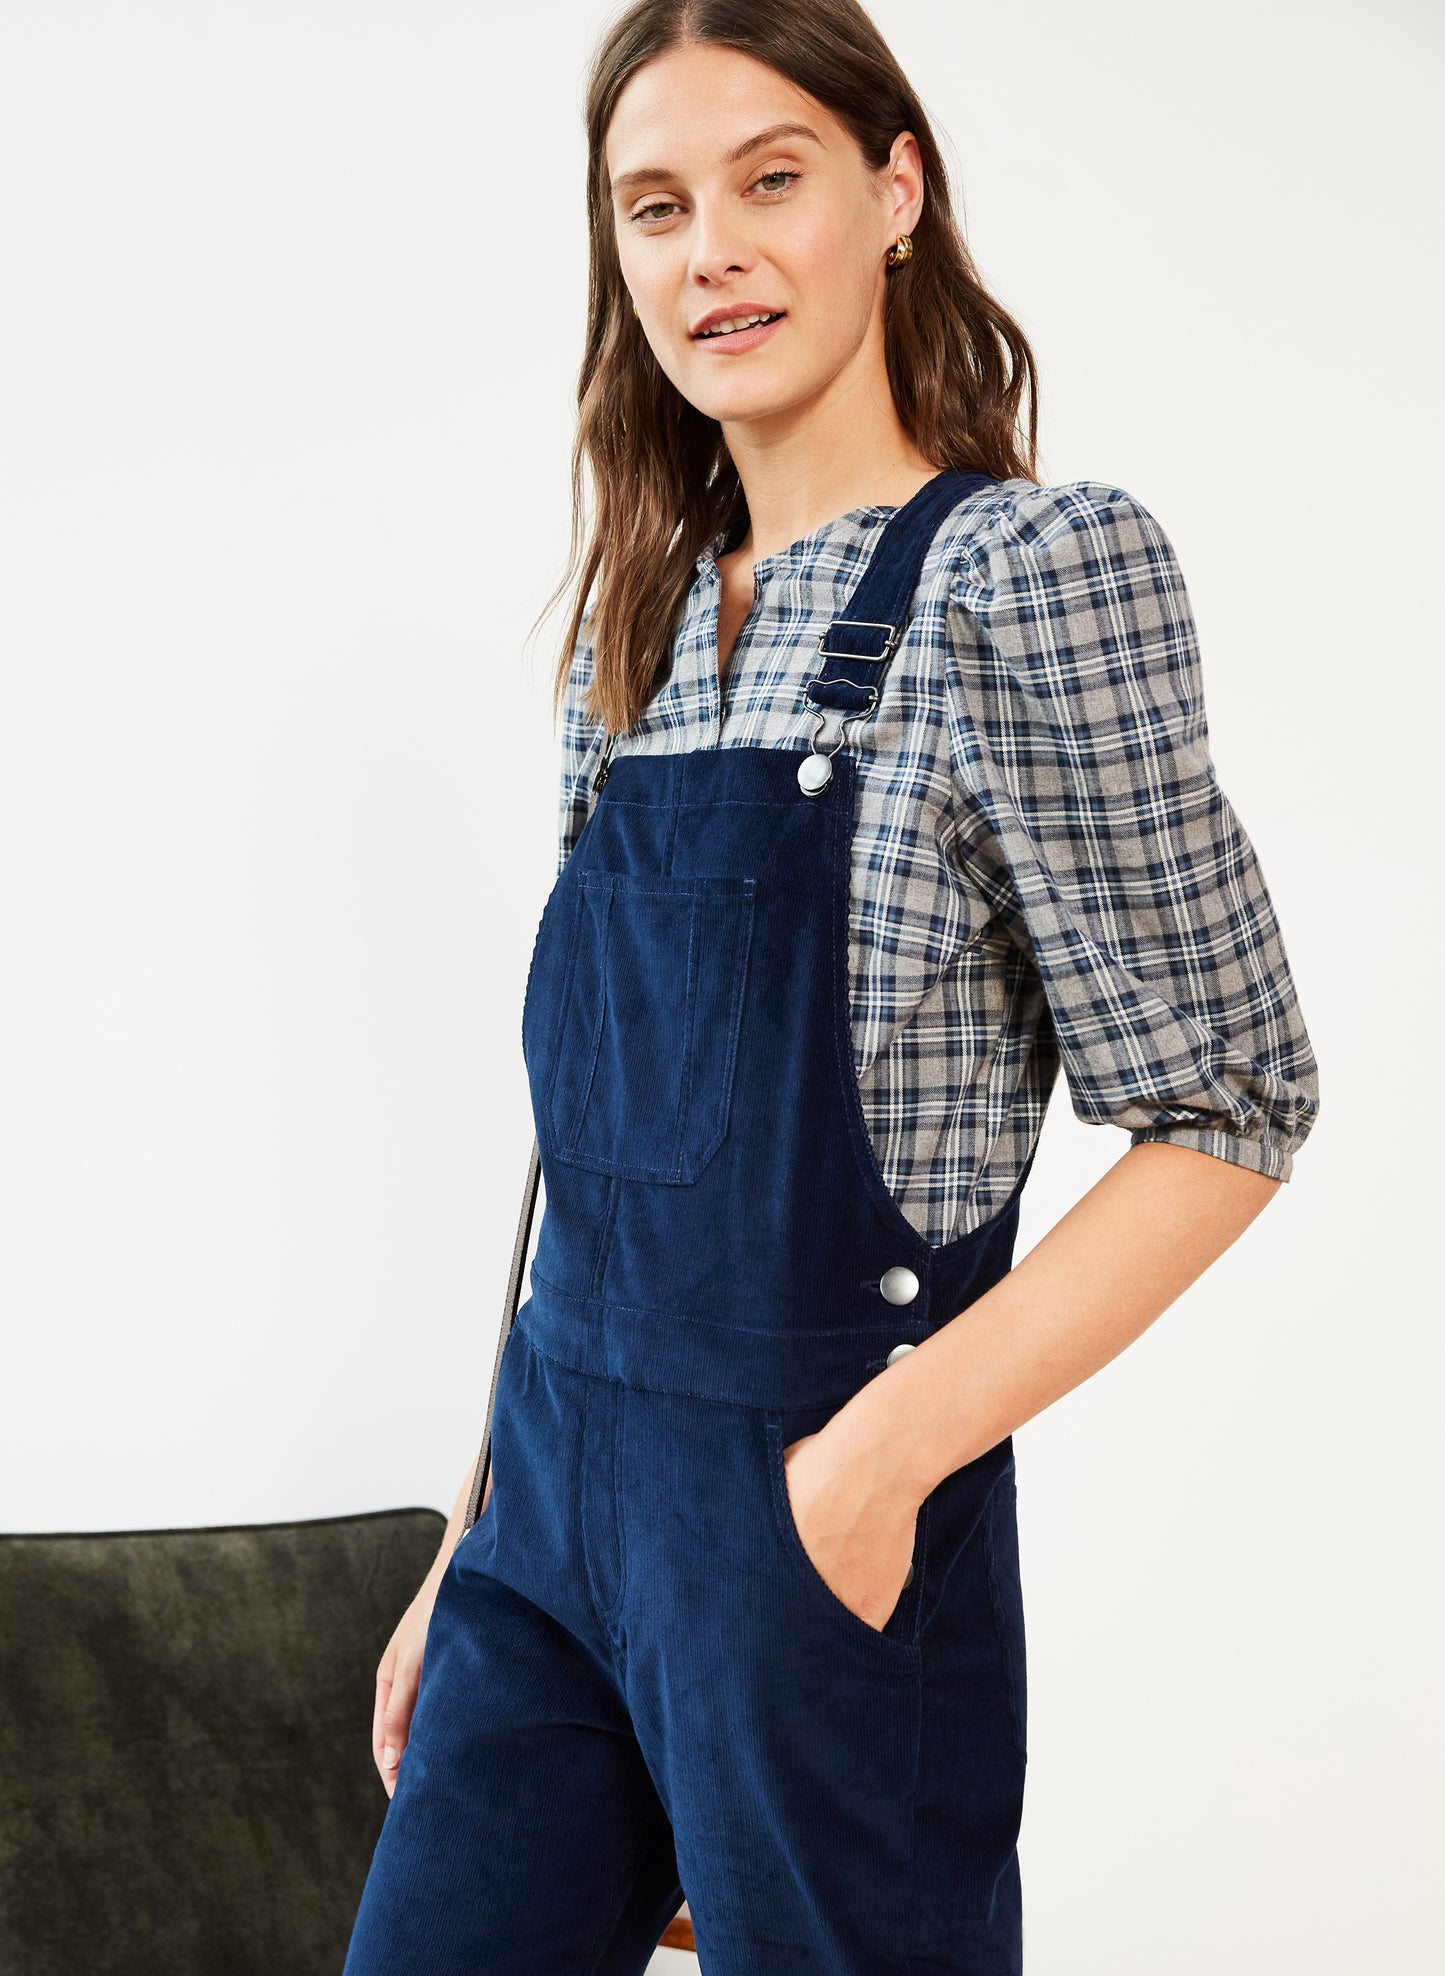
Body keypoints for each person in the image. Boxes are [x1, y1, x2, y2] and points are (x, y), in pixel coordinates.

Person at [342, 3, 1320, 1971]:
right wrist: (478, 1525)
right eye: (656, 206)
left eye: (770, 179)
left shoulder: (1024, 577)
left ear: (894, 191)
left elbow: (1231, 1106)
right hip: (548, 1516)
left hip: (814, 1524)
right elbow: (588, 1160)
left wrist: (871, 1471)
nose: (711, 251)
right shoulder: (629, 637)